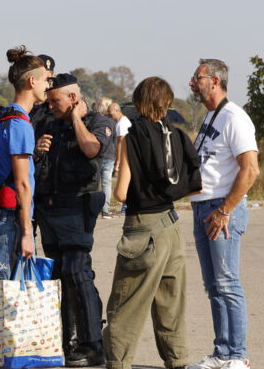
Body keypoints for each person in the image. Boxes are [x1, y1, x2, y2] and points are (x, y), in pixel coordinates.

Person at [102, 77, 202, 369]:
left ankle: (118, 363)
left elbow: (121, 193)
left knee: (126, 304)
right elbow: (195, 185)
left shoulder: (133, 136)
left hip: (142, 229)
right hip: (171, 225)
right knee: (171, 303)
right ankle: (177, 360)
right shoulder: (179, 135)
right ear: (167, 103)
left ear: (138, 103)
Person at [33, 73, 113, 367]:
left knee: (78, 272)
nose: (50, 106)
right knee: (59, 277)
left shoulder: (98, 122)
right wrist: (36, 152)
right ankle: (67, 342)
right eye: (49, 100)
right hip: (50, 211)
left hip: (77, 208)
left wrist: (77, 119)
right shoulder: (47, 124)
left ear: (73, 99)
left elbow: (92, 149)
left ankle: (93, 345)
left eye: (55, 101)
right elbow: (36, 167)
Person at [188, 59, 259, 369]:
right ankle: (221, 353)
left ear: (214, 81)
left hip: (222, 209)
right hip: (203, 207)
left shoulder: (234, 117)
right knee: (214, 286)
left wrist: (224, 210)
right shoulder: (211, 117)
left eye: (197, 77)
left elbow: (251, 169)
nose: (192, 83)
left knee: (228, 283)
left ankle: (238, 356)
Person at [0, 45, 47, 283]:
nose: (47, 87)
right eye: (45, 81)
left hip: (2, 217)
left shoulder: (5, 115)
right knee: (7, 299)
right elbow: (22, 183)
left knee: (0, 295)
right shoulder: (20, 124)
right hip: (11, 221)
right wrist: (27, 233)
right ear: (32, 81)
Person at [95, 97, 117, 219]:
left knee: (95, 183)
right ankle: (105, 210)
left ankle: (93, 208)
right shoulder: (113, 123)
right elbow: (115, 141)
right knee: (106, 184)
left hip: (98, 156)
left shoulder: (96, 122)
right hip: (110, 156)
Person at [109, 102, 132, 216]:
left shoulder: (121, 124)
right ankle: (125, 208)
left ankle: (125, 209)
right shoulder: (125, 121)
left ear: (117, 110)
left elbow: (121, 144)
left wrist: (117, 162)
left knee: (124, 184)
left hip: (125, 158)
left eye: (110, 112)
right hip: (128, 156)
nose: (109, 115)